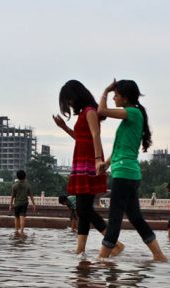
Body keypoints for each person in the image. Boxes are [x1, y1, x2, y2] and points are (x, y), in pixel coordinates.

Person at [96, 79, 166, 261]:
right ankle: (159, 256)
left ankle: (102, 260)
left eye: (116, 95)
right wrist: (107, 164)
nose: (113, 97)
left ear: (125, 99)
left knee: (115, 219)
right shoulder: (133, 115)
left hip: (124, 174)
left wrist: (104, 90)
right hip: (128, 173)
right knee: (135, 218)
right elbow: (120, 147)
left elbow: (101, 111)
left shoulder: (133, 113)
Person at [53, 80, 124, 255]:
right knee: (82, 209)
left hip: (89, 163)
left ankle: (114, 243)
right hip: (81, 162)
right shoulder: (83, 113)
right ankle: (80, 250)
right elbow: (80, 138)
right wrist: (64, 127)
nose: (69, 104)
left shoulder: (90, 111)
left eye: (69, 100)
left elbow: (95, 135)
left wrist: (99, 160)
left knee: (84, 209)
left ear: (76, 96)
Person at [9, 170, 36, 236]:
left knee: (16, 218)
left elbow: (12, 196)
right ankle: (21, 231)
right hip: (24, 203)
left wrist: (10, 204)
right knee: (22, 217)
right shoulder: (27, 185)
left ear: (17, 177)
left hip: (17, 204)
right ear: (25, 176)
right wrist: (34, 204)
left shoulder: (14, 186)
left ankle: (16, 230)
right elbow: (31, 195)